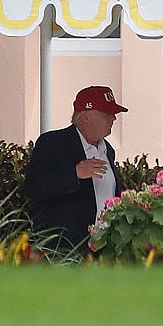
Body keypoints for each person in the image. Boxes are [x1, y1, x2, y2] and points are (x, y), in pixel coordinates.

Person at [24, 85, 128, 251]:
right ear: (86, 116)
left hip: (102, 250)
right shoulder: (53, 143)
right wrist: (75, 174)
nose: (113, 118)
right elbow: (33, 189)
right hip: (64, 250)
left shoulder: (108, 150)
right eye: (107, 114)